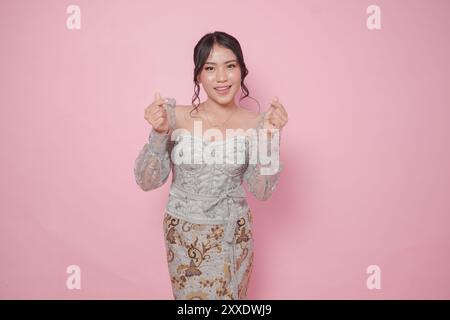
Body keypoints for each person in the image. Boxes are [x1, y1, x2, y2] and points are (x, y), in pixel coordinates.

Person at [134, 31, 288, 300]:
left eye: (230, 66)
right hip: (184, 236)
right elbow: (147, 181)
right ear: (198, 75)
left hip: (233, 235)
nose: (221, 78)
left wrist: (269, 139)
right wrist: (159, 133)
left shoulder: (259, 124)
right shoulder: (174, 116)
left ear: (242, 70)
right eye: (210, 68)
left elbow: (262, 192)